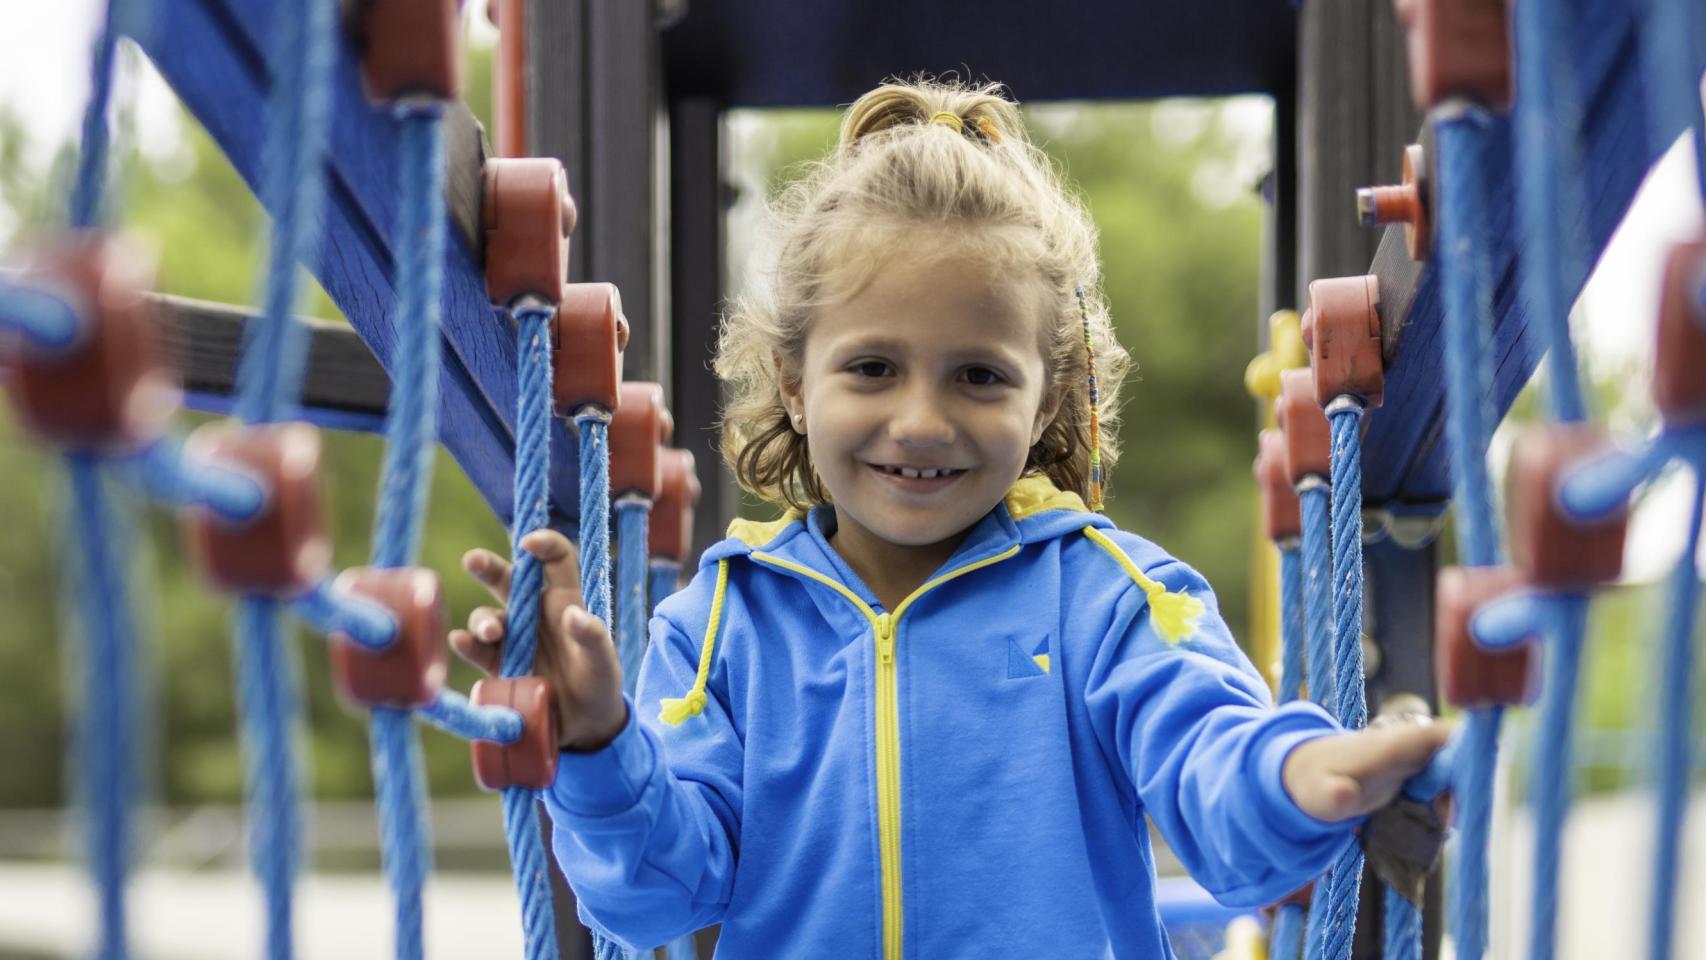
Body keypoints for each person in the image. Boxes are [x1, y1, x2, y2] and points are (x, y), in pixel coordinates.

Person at [449, 78, 1449, 958]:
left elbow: (1212, 766)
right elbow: (655, 896)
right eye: (871, 368)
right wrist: (598, 741)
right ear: (793, 382)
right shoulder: (720, 628)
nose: (921, 422)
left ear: (1046, 402)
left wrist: (1299, 769)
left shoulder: (1109, 601)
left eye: (978, 375)